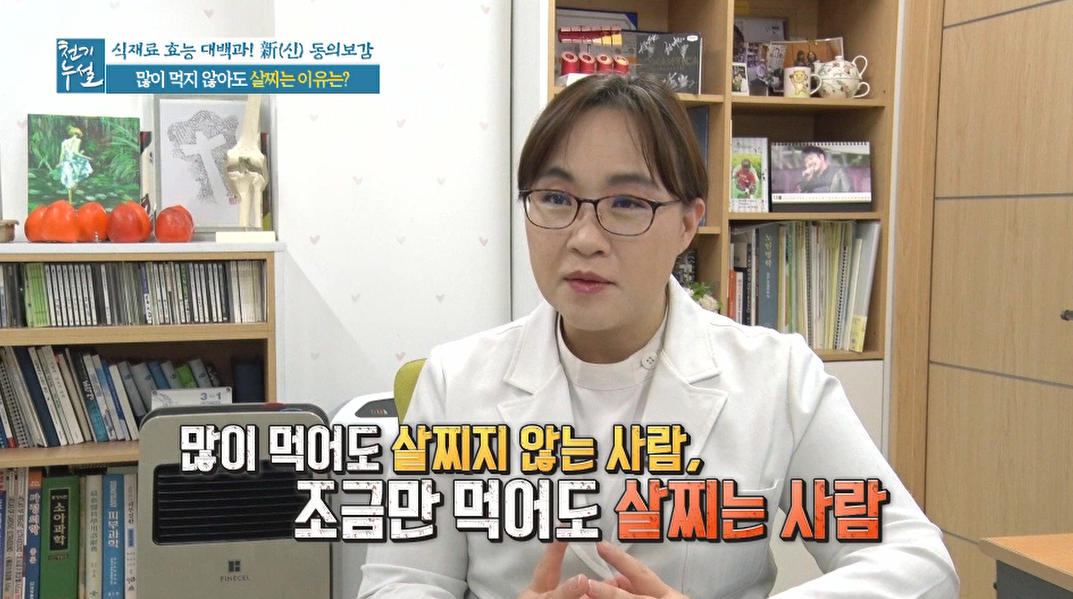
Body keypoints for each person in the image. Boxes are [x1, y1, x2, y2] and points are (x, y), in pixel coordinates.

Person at [358, 75, 958, 599]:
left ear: (688, 224)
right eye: (556, 199)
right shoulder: (455, 382)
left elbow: (916, 565)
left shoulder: (776, 379)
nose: (584, 238)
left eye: (626, 203)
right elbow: (400, 581)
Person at [59, 125, 93, 202]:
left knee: (69, 181)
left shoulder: (64, 142)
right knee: (74, 180)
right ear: (78, 134)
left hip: (66, 163)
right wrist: (87, 157)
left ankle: (70, 201)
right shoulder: (77, 140)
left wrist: (60, 163)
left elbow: (62, 154)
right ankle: (72, 200)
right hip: (75, 163)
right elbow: (76, 153)